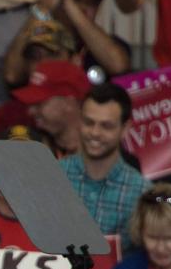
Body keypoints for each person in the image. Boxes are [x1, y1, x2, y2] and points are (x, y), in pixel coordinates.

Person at [60, 83, 150, 244]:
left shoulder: (142, 193)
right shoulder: (52, 176)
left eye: (106, 126)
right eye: (88, 122)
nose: (95, 133)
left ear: (125, 128)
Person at [29, 0, 131, 81]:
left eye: (91, 1)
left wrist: (70, 5)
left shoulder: (112, 43)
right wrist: (45, 5)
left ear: (99, 7)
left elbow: (119, 66)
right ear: (58, 1)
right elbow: (13, 76)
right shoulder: (42, 39)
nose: (83, 7)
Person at [9, 59, 90, 158]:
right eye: (30, 105)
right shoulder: (34, 151)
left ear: (69, 103)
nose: (30, 111)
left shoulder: (107, 156)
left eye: (39, 104)